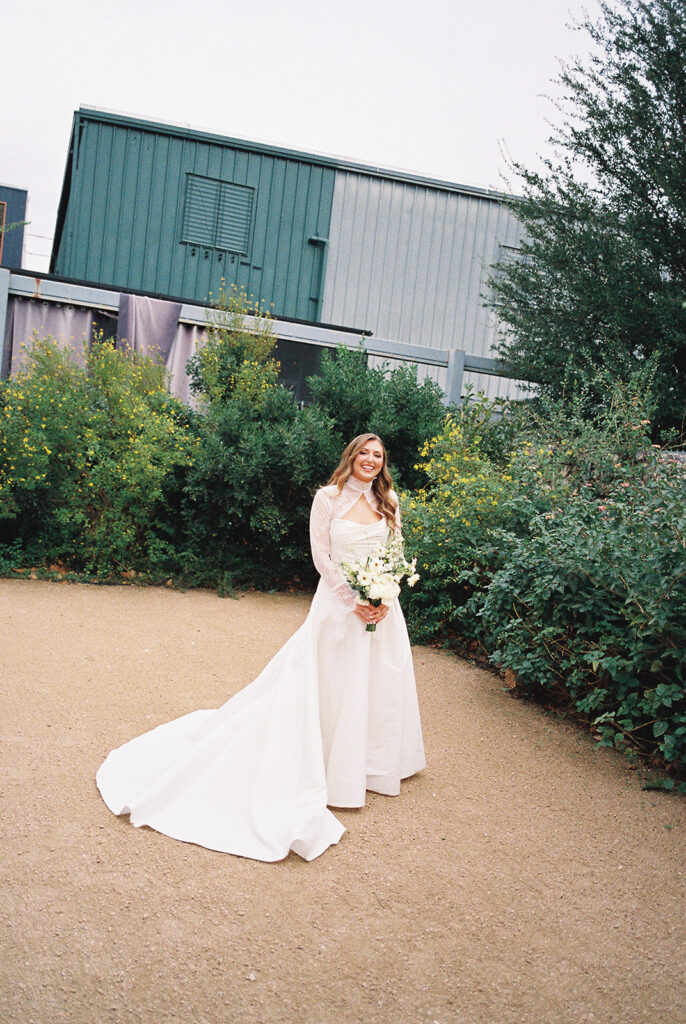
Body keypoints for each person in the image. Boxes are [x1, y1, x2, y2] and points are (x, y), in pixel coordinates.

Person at [96, 433, 425, 861]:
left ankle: (370, 765)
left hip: (382, 610)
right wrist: (353, 600)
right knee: (333, 684)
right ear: (351, 456)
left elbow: (396, 554)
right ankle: (330, 767)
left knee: (378, 681)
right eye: (363, 452)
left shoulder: (390, 501)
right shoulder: (327, 498)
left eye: (378, 455)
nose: (370, 460)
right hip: (339, 608)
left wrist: (383, 596)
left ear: (383, 463)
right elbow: (321, 556)